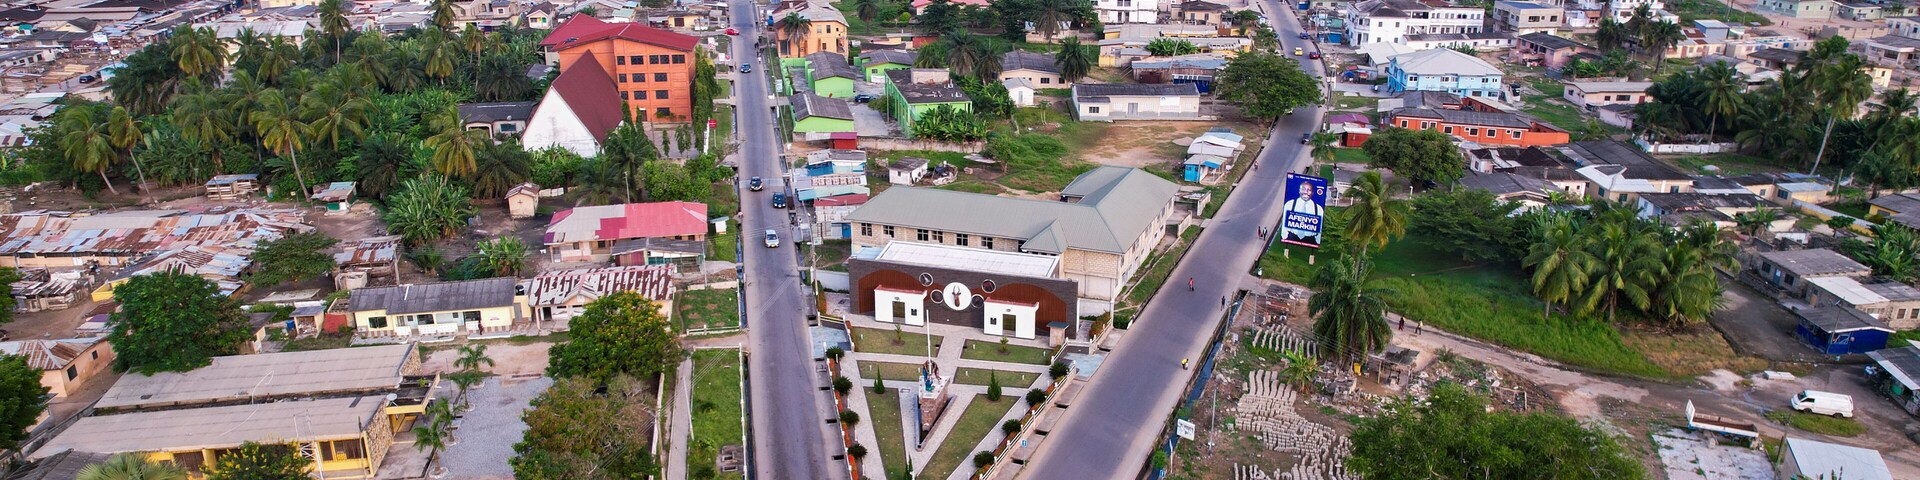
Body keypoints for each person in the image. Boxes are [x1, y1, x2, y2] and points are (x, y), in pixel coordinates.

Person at [1281, 179, 1325, 245]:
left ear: (1312, 193)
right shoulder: (1290, 204)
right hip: (1291, 237)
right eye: (1303, 189)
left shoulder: (1318, 209)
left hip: (1310, 240)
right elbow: (1284, 222)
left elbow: (1319, 228)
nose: (1306, 192)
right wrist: (1284, 237)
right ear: (1299, 191)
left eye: (1309, 190)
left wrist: (1318, 241)